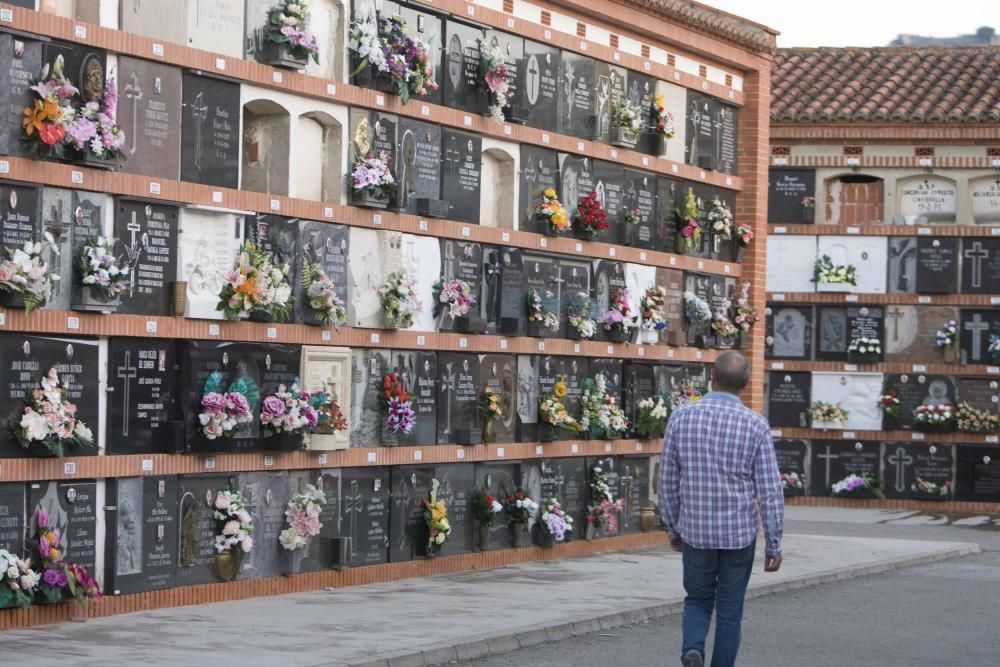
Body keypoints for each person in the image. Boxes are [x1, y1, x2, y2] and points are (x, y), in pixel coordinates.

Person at [659, 351, 784, 667]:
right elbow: (769, 490)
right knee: (730, 609)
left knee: (698, 599)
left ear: (711, 378)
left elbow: (667, 479)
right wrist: (774, 542)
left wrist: (674, 527)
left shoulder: (681, 418)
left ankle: (693, 649)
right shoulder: (755, 425)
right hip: (737, 535)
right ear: (745, 383)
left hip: (696, 531)